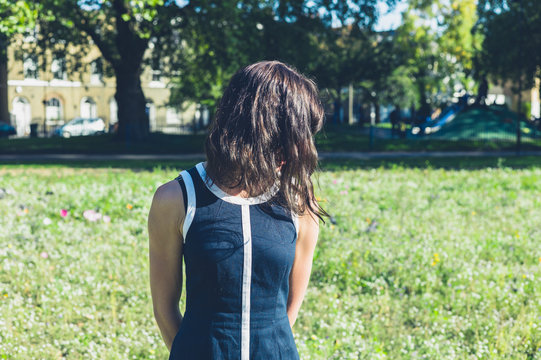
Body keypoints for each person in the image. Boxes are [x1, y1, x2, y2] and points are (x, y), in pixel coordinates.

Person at [148, 61, 327, 359]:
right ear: (261, 127)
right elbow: (164, 308)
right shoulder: (176, 198)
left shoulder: (299, 202)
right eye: (293, 134)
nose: (301, 147)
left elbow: (288, 313)